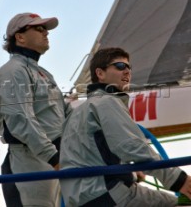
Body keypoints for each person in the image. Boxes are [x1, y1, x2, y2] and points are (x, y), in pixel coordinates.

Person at [59, 47, 191, 207]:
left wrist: (130, 170)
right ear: (100, 73)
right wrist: (178, 180)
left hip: (83, 198)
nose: (127, 71)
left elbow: (91, 154)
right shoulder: (106, 101)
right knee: (181, 204)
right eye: (120, 66)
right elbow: (131, 145)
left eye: (129, 67)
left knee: (172, 201)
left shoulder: (77, 112)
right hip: (108, 194)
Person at [0, 12, 73, 206]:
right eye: (39, 28)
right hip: (28, 161)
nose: (46, 33)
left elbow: (67, 113)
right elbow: (21, 120)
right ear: (19, 37)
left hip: (49, 159)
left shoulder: (42, 73)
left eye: (45, 29)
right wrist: (54, 157)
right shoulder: (12, 71)